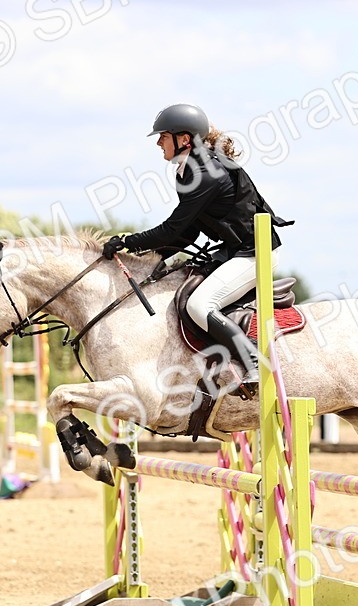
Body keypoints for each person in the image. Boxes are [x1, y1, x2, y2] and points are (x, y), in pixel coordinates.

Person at [99, 103, 291, 398]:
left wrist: (128, 242)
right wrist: (153, 258)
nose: (157, 143)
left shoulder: (207, 171)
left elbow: (173, 229)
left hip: (254, 255)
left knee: (199, 305)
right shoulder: (189, 170)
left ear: (184, 139)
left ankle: (253, 359)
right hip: (233, 252)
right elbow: (188, 234)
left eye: (163, 136)